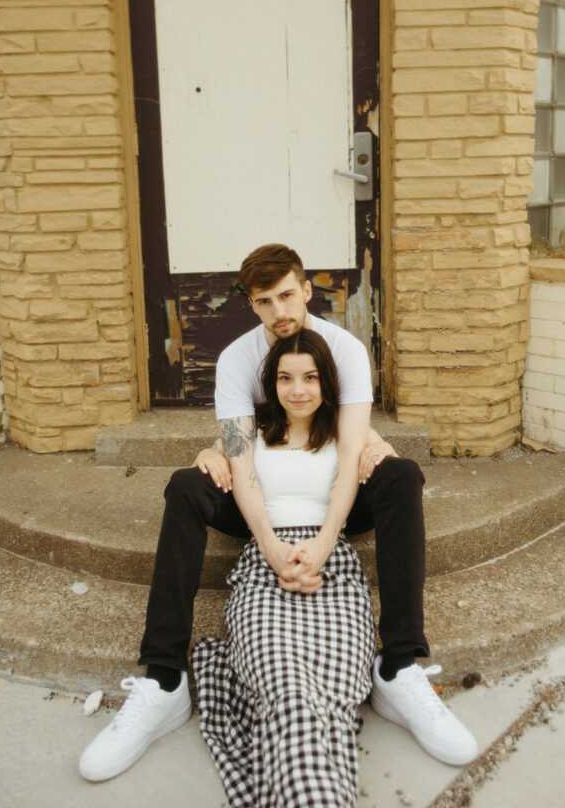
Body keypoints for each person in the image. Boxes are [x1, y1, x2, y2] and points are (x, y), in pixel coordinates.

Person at [79, 245, 477, 783]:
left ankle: (399, 667)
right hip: (261, 497)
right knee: (185, 486)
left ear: (308, 288)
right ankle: (164, 680)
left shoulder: (346, 350)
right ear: (251, 303)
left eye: (287, 294)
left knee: (400, 474)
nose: (278, 310)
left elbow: (350, 456)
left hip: (334, 495)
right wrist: (266, 541)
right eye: (264, 301)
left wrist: (322, 544)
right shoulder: (239, 360)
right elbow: (241, 464)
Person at [193, 328, 376, 807]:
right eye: (286, 378)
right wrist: (211, 452)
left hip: (331, 567)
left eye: (311, 377)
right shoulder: (249, 431)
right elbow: (228, 461)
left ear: (327, 381)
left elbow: (357, 477)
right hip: (263, 567)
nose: (298, 389)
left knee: (333, 697)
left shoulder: (347, 431)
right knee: (287, 689)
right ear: (271, 384)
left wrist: (321, 546)